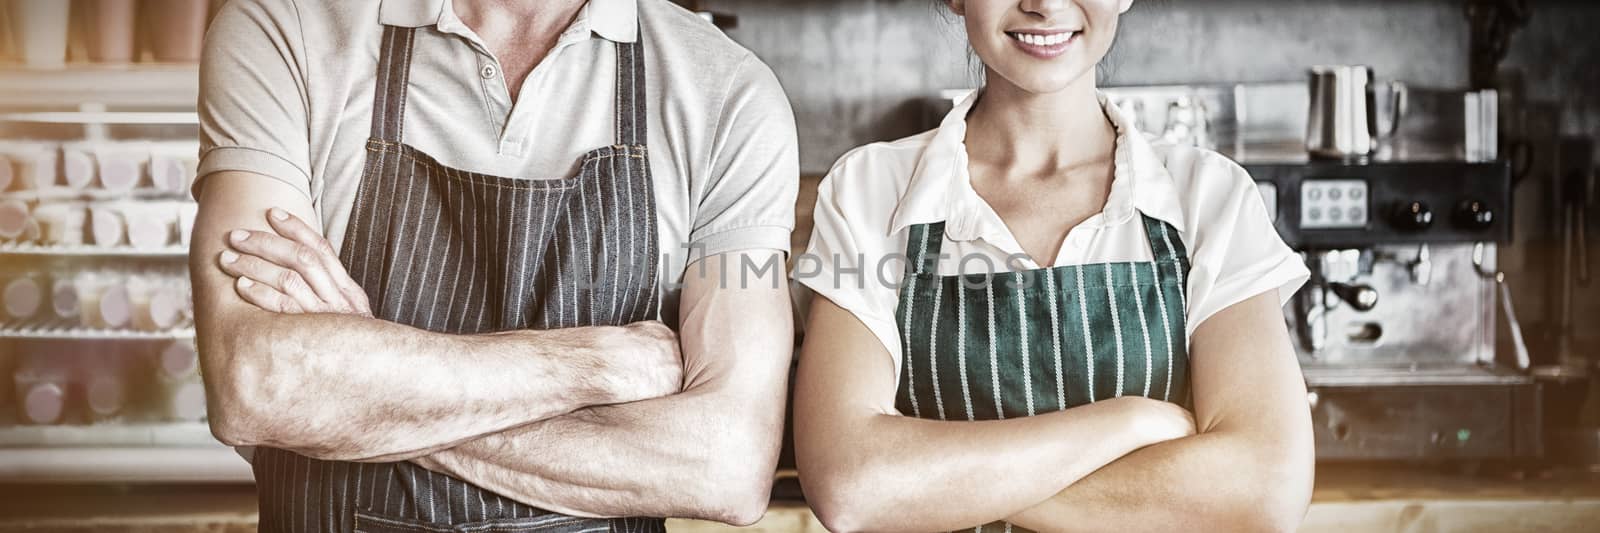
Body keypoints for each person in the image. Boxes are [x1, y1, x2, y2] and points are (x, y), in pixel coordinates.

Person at [191, 0, 798, 531]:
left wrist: (358, 399)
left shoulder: (727, 94)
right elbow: (259, 385)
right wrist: (595, 366)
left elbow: (728, 467)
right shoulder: (288, 27)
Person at [793, 1, 1315, 531]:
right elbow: (849, 483)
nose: (1043, 5)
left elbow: (1265, 488)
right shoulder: (867, 191)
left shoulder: (1209, 197)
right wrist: (1127, 422)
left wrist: (927, 484)